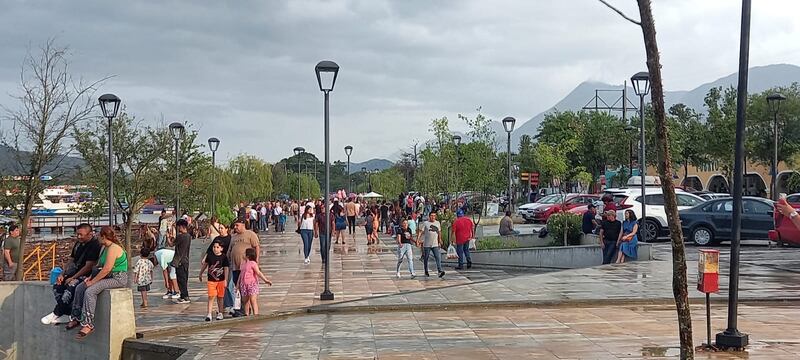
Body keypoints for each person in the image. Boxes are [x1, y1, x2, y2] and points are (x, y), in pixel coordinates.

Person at [67, 226, 128, 340]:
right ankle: (76, 316)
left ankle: (88, 324)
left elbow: (107, 269)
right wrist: (90, 278)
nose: (97, 238)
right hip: (106, 276)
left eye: (99, 235)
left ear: (103, 237)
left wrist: (93, 282)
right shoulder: (104, 248)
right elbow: (99, 266)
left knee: (90, 291)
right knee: (81, 287)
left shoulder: (113, 248)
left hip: (117, 278)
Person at [41, 223, 102, 325]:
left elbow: (88, 266)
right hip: (75, 271)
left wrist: (73, 277)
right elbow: (71, 260)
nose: (79, 237)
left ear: (90, 234)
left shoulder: (94, 245)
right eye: (77, 234)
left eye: (81, 235)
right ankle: (66, 312)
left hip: (87, 274)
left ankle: (56, 313)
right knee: (57, 286)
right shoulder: (78, 244)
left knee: (72, 285)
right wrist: (62, 274)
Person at [228, 219, 260, 316]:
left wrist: (256, 261)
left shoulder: (250, 234)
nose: (235, 227)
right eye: (234, 226)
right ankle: (243, 309)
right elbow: (230, 249)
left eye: (237, 225)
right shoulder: (233, 237)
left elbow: (257, 247)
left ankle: (245, 309)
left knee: (246, 288)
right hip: (235, 267)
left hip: (247, 268)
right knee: (239, 288)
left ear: (243, 225)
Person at [199, 240, 229, 321]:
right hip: (211, 280)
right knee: (211, 296)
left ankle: (220, 313)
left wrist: (226, 279)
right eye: (214, 247)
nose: (215, 249)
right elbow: (205, 265)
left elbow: (226, 268)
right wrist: (201, 273)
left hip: (221, 280)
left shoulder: (224, 257)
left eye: (217, 247)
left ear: (221, 248)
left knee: (220, 297)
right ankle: (209, 313)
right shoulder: (210, 256)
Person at [236, 248, 272, 316]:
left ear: (248, 256)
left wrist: (265, 280)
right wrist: (237, 285)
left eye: (244, 253)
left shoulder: (253, 263)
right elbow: (240, 275)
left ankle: (256, 314)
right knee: (245, 301)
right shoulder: (243, 264)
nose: (243, 254)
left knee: (253, 299)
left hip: (252, 284)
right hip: (243, 285)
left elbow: (258, 273)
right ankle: (246, 314)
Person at [418, 211, 445, 278]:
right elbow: (420, 232)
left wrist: (440, 240)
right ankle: (426, 271)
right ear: (429, 216)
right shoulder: (426, 223)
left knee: (437, 257)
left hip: (435, 244)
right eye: (431, 215)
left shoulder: (437, 223)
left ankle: (439, 271)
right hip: (427, 244)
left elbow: (439, 232)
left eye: (434, 216)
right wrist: (418, 239)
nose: (433, 217)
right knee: (426, 258)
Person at [171, 219, 192, 303]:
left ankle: (185, 296)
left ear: (181, 226)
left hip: (179, 261)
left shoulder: (180, 236)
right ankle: (183, 296)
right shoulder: (188, 236)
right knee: (184, 278)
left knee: (180, 279)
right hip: (185, 260)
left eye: (178, 226)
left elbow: (171, 244)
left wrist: (168, 237)